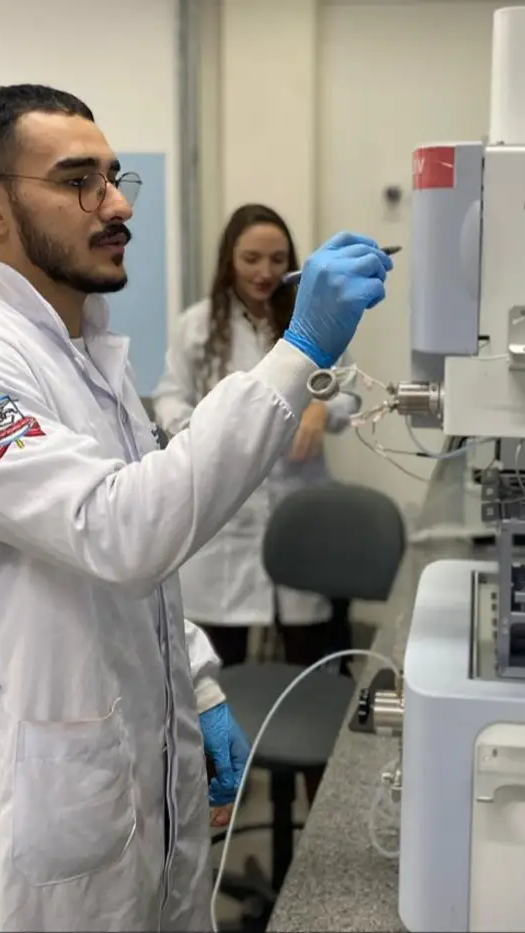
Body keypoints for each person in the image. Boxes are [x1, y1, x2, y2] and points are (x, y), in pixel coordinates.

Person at [0, 84, 392, 932]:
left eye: (115, 179)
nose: (117, 205)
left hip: (137, 774)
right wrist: (297, 352)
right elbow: (119, 531)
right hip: (34, 805)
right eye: (78, 181)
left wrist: (199, 679)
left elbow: (134, 544)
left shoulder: (90, 353)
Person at [153, 204, 360, 675]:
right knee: (216, 668)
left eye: (277, 259)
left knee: (311, 658)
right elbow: (169, 397)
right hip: (224, 513)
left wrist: (322, 408)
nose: (265, 272)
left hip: (297, 503)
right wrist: (205, 435)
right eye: (251, 259)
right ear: (229, 259)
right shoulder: (197, 325)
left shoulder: (315, 322)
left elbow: (352, 392)